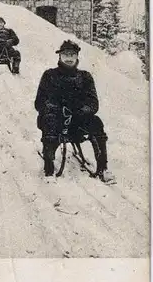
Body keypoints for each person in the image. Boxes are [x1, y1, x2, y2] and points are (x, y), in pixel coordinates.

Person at [34, 39, 116, 184]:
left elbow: (93, 103)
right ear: (59, 56)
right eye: (66, 54)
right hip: (55, 119)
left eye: (72, 55)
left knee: (96, 122)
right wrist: (57, 110)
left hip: (77, 121)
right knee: (49, 120)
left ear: (77, 56)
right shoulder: (50, 75)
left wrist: (81, 111)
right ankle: (49, 169)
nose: (69, 58)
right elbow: (40, 102)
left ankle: (103, 168)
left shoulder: (85, 77)